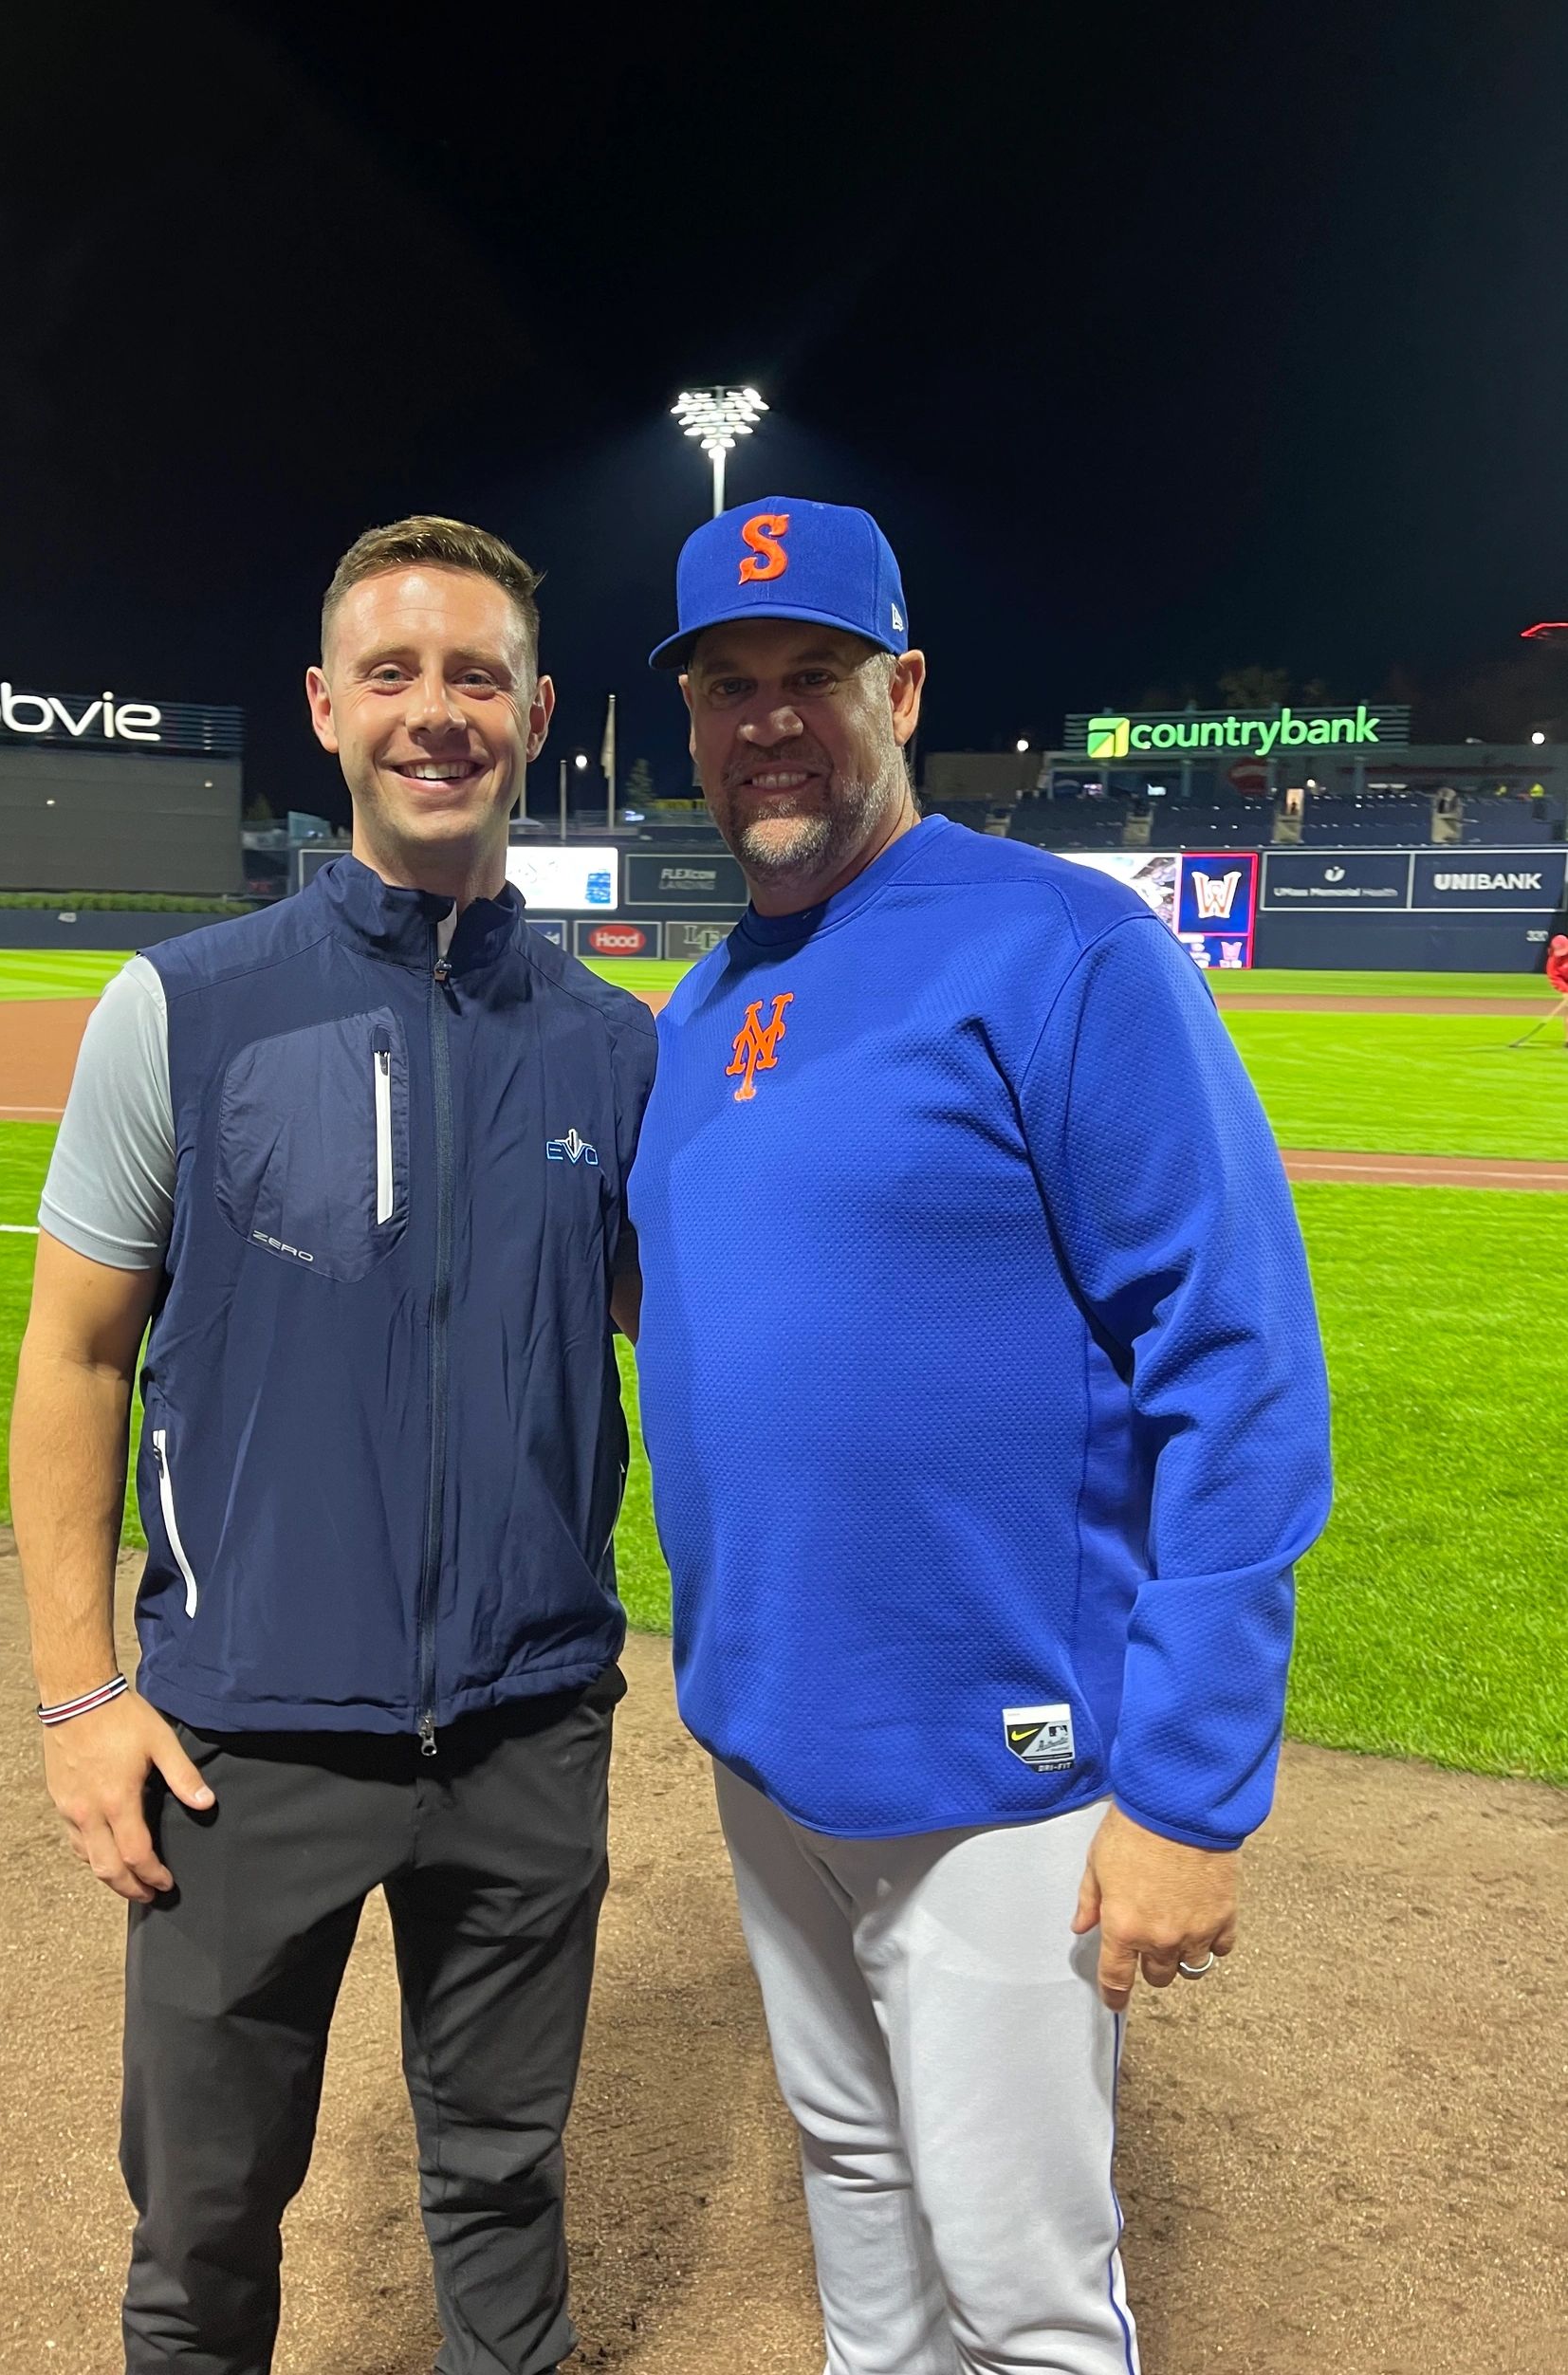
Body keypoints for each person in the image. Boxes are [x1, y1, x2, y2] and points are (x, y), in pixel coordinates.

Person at [629, 496, 1332, 2373]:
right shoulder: (696, 1009)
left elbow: (1240, 1365)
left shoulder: (1063, 948)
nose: (769, 719)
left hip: (1003, 1758)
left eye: (816, 675)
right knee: (857, 2189)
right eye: (730, 685)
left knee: (1027, 2291)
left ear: (904, 688)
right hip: (770, 1744)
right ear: (690, 723)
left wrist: (1188, 1788)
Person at [9, 516, 656, 2375]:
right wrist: (79, 1696)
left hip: (529, 1734)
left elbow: (706, 1344)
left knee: (502, 2209)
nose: (433, 711)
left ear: (535, 713)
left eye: (475, 676)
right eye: (394, 671)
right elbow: (72, 1356)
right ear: (325, 705)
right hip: (239, 1746)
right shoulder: (184, 1010)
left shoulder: (614, 1051)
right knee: (202, 2239)